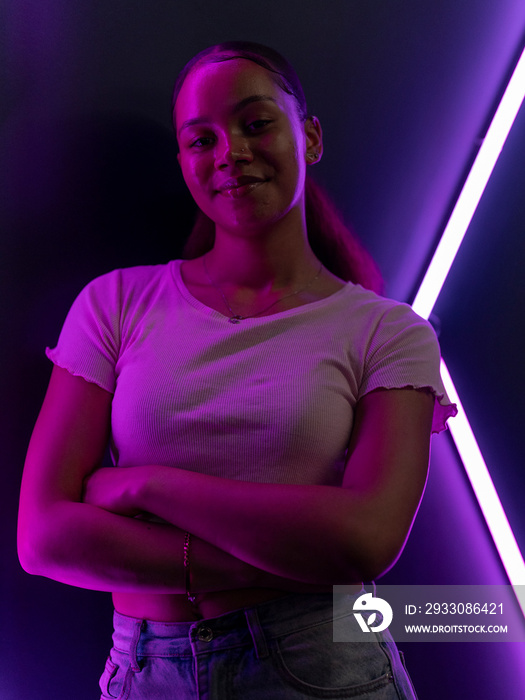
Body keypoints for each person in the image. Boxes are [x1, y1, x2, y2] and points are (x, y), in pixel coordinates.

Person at [18, 41, 456, 699]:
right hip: (145, 672)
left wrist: (146, 488)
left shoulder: (389, 333)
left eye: (255, 124)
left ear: (307, 137)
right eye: (202, 139)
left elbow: (367, 540)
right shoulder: (114, 304)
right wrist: (290, 562)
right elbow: (44, 537)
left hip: (320, 668)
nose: (230, 152)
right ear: (183, 161)